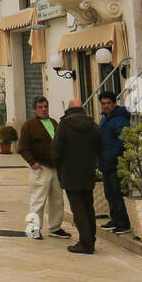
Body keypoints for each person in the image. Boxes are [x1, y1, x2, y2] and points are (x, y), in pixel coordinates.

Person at [51, 98, 104, 254]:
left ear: (68, 109)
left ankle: (85, 243)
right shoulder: (93, 125)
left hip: (69, 172)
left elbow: (56, 150)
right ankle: (91, 239)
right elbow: (101, 145)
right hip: (87, 171)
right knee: (89, 206)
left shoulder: (64, 126)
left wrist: (59, 165)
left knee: (78, 209)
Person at [16, 96, 68, 240]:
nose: (44, 109)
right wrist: (32, 162)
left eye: (45, 106)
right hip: (40, 167)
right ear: (34, 109)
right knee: (38, 200)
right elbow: (22, 147)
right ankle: (34, 228)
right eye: (40, 107)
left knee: (57, 199)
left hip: (55, 167)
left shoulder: (54, 123)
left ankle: (55, 227)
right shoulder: (29, 125)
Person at [97, 91, 132, 234]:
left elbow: (123, 139)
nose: (105, 106)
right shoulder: (104, 119)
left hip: (117, 163)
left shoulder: (120, 120)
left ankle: (123, 223)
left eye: (108, 103)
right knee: (109, 193)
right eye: (103, 103)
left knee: (118, 194)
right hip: (106, 163)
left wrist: (113, 156)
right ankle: (115, 220)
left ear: (114, 103)